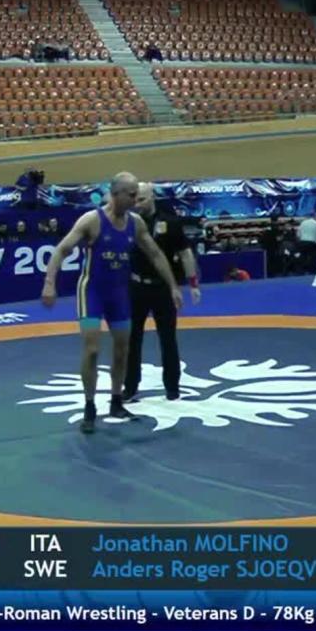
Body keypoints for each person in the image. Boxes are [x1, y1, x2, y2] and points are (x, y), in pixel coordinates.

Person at [41, 172, 182, 434]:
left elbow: (155, 254)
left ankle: (116, 400)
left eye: (137, 195)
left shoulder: (135, 223)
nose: (135, 200)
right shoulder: (92, 220)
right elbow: (61, 250)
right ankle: (90, 406)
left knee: (121, 350)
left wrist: (173, 286)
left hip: (119, 295)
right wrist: (50, 283)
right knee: (92, 349)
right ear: (116, 194)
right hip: (92, 293)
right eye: (131, 195)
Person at [124, 181, 201, 402]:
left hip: (163, 288)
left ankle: (172, 387)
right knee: (132, 339)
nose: (137, 204)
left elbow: (185, 254)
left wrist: (193, 284)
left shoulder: (170, 222)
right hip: (136, 287)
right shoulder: (128, 222)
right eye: (135, 199)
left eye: (142, 199)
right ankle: (130, 387)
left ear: (152, 198)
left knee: (168, 338)